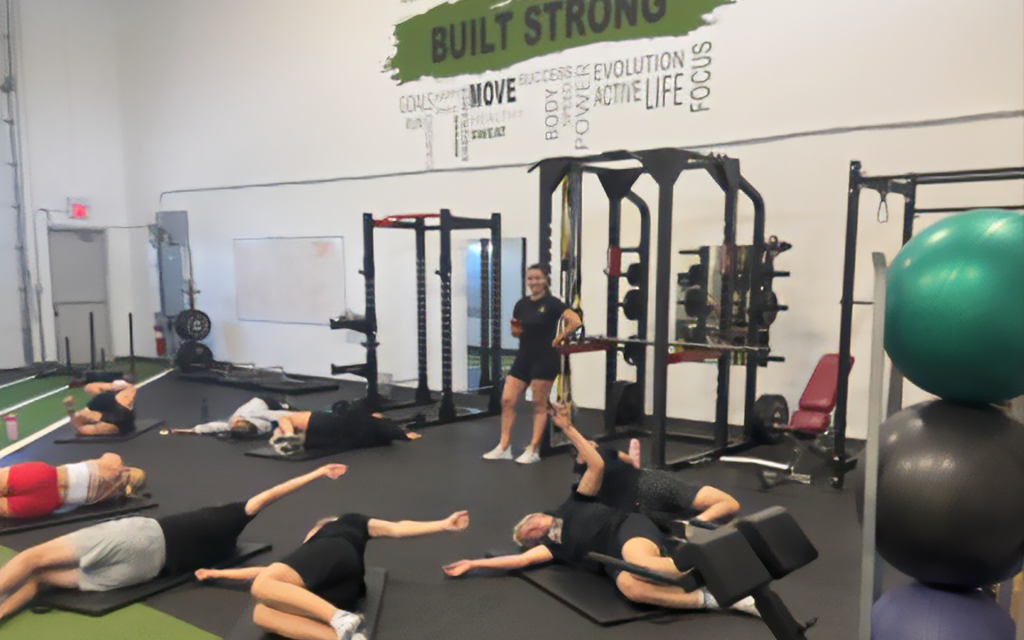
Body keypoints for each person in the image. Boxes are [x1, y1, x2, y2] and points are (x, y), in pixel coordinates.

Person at [447, 404, 757, 615]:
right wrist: (473, 563)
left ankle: (712, 570)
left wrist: (567, 428)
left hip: (625, 528)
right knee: (629, 586)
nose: (530, 531)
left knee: (639, 560)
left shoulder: (574, 501)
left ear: (540, 515)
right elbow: (518, 559)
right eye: (527, 536)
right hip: (611, 561)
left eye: (528, 524)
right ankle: (711, 600)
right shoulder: (553, 548)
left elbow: (596, 463)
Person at [0, 463, 347, 624]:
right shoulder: (226, 545)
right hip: (145, 571)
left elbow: (270, 495)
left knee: (32, 558)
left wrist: (317, 472)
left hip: (140, 536)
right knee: (41, 579)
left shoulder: (231, 515)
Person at [195, 510, 471, 640]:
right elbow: (267, 575)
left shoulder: (343, 524)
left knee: (262, 586)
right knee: (261, 614)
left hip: (337, 552)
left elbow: (397, 527)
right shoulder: (304, 561)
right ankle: (344, 637)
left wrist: (443, 524)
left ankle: (339, 619)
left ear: (319, 526)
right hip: (347, 587)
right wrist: (218, 572)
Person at [483, 264, 582, 464]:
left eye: (537, 278)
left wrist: (560, 338)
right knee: (507, 400)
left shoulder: (553, 303)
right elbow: (516, 330)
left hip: (545, 358)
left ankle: (533, 449)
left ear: (545, 280)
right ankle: (504, 446)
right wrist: (515, 331)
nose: (534, 282)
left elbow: (576, 321)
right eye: (530, 279)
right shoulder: (521, 304)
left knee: (538, 404)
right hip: (524, 357)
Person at [571, 439, 740, 529]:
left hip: (633, 508)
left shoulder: (582, 485)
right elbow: (730, 504)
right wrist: (698, 522)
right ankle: (694, 522)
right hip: (650, 485)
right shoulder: (657, 482)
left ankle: (686, 523)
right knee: (729, 503)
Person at [170, 398, 421, 455]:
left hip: (308, 427)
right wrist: (192, 430)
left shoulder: (253, 411)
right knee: (360, 423)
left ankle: (398, 431)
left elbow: (216, 426)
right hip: (324, 428)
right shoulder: (245, 420)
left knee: (353, 416)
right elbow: (216, 426)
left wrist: (193, 430)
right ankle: (400, 432)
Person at [0, 454, 146, 519]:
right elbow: (112, 464)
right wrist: (120, 475)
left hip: (48, 498)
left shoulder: (108, 495)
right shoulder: (113, 465)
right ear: (126, 469)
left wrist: (122, 484)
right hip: (44, 479)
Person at [169, 397, 297, 439]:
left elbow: (215, 426)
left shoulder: (241, 420)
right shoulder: (262, 425)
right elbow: (273, 415)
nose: (233, 421)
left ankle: (284, 405)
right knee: (278, 418)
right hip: (264, 404)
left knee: (281, 413)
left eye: (233, 423)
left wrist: (190, 431)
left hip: (265, 404)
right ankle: (283, 405)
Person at [62, 379, 136, 436]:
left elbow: (80, 429)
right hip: (124, 416)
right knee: (90, 388)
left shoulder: (108, 425)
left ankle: (82, 415)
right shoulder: (123, 395)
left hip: (118, 423)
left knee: (80, 417)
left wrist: (69, 407)